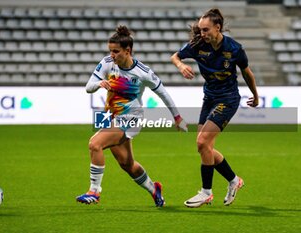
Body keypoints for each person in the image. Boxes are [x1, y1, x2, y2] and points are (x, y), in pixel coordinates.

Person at [76, 25, 187, 207]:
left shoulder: (143, 72)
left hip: (131, 117)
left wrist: (177, 118)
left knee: (94, 144)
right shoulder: (106, 63)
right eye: (110, 51)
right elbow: (89, 86)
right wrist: (99, 84)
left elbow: (163, 93)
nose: (112, 55)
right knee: (127, 164)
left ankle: (94, 191)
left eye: (116, 51)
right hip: (108, 115)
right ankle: (154, 189)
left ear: (128, 51)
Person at [171, 8, 259, 208]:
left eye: (206, 29)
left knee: (203, 142)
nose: (202, 33)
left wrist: (255, 95)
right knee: (204, 146)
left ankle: (206, 192)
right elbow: (175, 56)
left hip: (228, 99)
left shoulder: (234, 48)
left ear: (217, 28)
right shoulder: (197, 45)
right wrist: (180, 66)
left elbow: (247, 73)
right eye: (200, 30)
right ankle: (234, 180)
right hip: (209, 98)